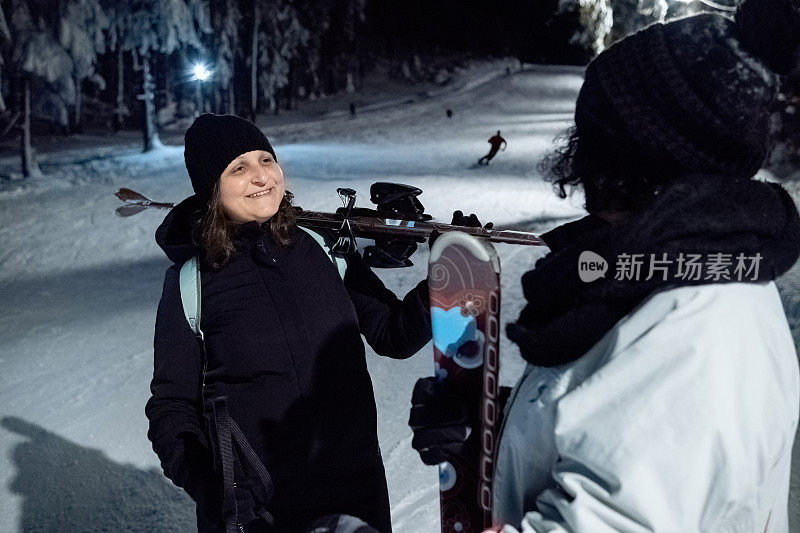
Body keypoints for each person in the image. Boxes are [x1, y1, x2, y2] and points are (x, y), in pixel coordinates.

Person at [410, 0, 800, 531]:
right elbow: (623, 432)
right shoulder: (675, 276)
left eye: (592, 138)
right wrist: (498, 425)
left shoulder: (694, 327)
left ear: (629, 159)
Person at [145, 113, 432, 532]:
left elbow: (394, 334)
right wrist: (215, 489)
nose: (261, 177)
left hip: (356, 492)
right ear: (212, 188)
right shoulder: (192, 283)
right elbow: (171, 408)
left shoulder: (323, 248)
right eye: (239, 168)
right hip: (261, 510)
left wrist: (446, 278)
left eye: (266, 159)